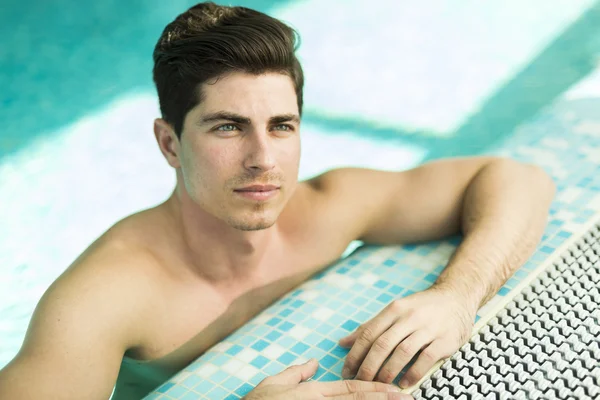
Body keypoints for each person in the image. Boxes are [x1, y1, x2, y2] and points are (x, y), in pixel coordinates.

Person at [0, 2, 555, 399]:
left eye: (281, 125)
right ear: (170, 143)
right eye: (228, 127)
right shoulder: (103, 298)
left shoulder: (326, 207)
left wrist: (457, 297)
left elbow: (517, 180)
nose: (263, 157)